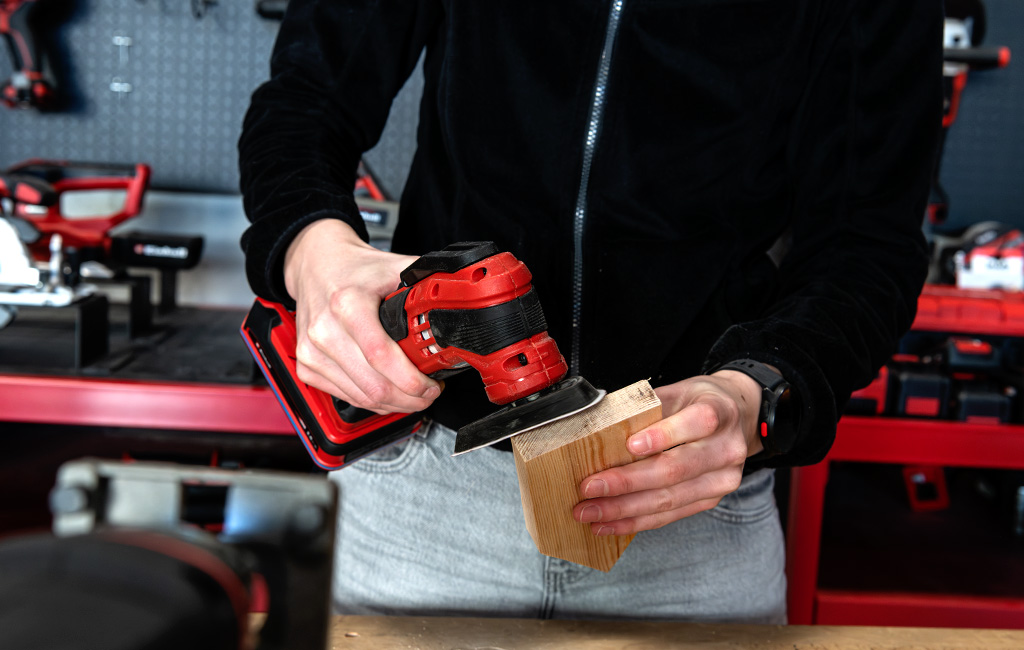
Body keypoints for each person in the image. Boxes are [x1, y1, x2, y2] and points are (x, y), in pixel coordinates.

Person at [238, 0, 943, 623]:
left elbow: (868, 246)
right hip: (429, 496)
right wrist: (314, 252)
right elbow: (304, 101)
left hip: (690, 511)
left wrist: (755, 394)